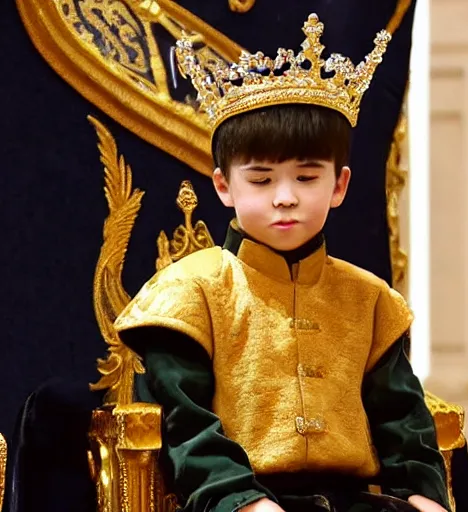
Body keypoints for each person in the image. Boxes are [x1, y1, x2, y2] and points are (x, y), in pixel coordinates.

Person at [114, 13, 450, 512]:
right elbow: (184, 422)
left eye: (307, 178)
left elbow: (404, 418)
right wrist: (243, 500)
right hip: (239, 503)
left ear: (339, 186)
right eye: (262, 179)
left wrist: (423, 497)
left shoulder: (371, 299)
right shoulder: (189, 292)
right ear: (224, 186)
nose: (286, 198)